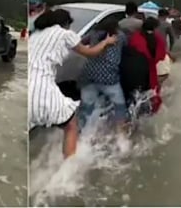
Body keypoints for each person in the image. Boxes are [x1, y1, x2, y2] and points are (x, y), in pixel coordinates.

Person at [29, 9, 118, 159]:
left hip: (28, 87)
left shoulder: (34, 36)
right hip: (41, 88)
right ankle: (68, 170)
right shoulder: (65, 34)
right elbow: (90, 52)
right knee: (71, 124)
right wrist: (106, 42)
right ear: (65, 23)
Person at [77, 19, 129, 130]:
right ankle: (121, 136)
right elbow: (126, 47)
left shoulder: (94, 33)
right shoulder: (120, 36)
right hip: (109, 76)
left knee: (86, 108)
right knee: (119, 106)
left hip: (88, 74)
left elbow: (80, 42)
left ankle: (81, 134)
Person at [124, 17, 166, 116]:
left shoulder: (135, 37)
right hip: (150, 73)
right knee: (151, 98)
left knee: (134, 99)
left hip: (135, 73)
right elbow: (161, 56)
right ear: (155, 28)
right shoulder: (158, 39)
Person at [156, 8, 176, 84]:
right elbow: (172, 39)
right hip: (162, 50)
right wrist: (170, 50)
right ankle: (156, 88)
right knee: (164, 73)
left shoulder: (151, 22)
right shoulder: (167, 24)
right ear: (165, 16)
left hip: (149, 49)